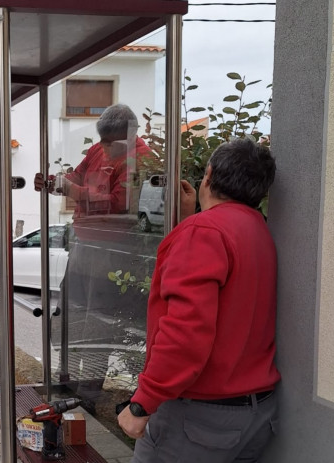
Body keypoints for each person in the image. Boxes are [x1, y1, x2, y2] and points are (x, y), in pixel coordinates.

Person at [117, 137, 279, 462]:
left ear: (208, 175)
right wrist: (192, 218)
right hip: (256, 413)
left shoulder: (204, 232)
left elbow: (185, 333)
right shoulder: (259, 230)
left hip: (200, 420)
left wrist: (142, 403)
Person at [34, 103, 154, 410]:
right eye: (101, 141)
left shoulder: (141, 160)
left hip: (114, 254)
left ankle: (88, 393)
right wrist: (54, 182)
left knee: (98, 321)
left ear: (130, 135)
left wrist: (74, 192)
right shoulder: (99, 151)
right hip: (84, 246)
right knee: (70, 313)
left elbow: (119, 205)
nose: (102, 148)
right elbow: (76, 174)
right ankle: (66, 377)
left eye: (109, 142)